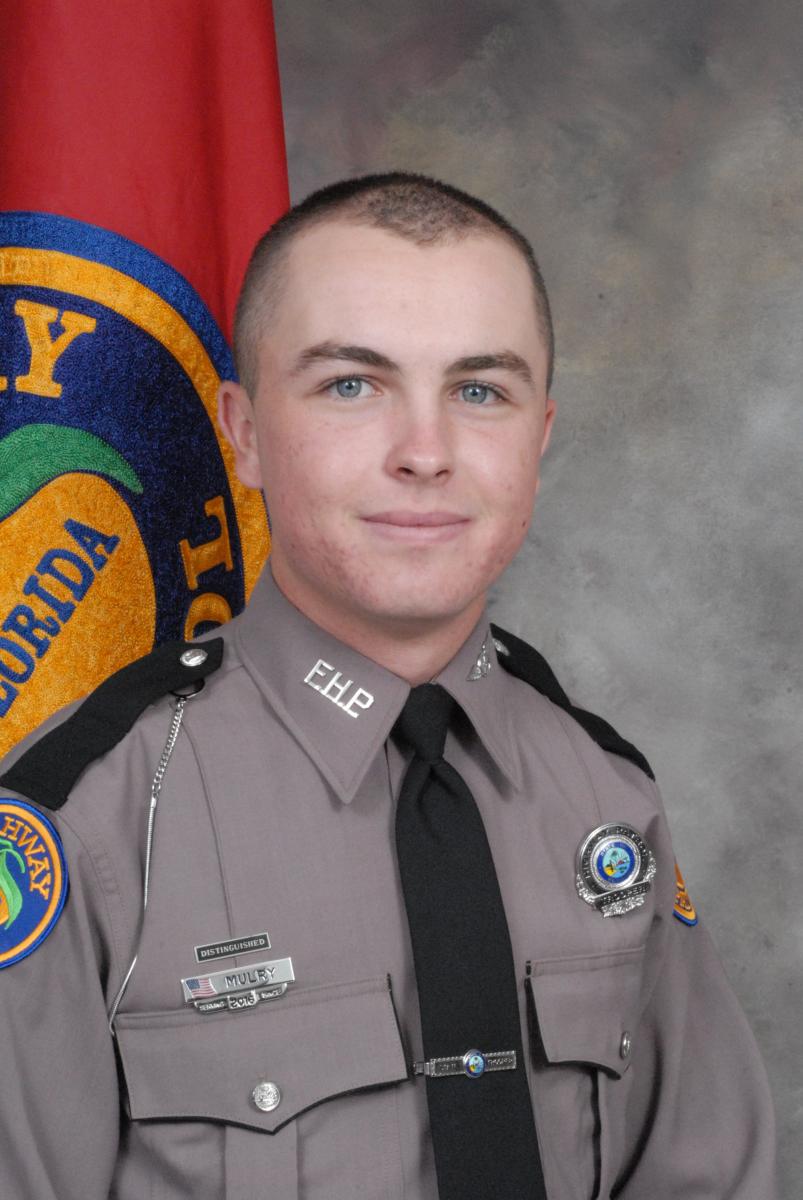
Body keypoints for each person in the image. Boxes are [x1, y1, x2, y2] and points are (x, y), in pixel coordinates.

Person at [0, 173, 776, 1199]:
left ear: (539, 435)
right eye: (351, 386)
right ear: (242, 432)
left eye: (478, 391)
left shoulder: (605, 793)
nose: (425, 453)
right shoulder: (83, 822)